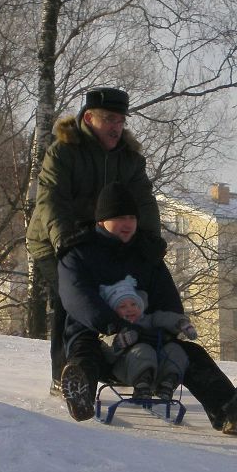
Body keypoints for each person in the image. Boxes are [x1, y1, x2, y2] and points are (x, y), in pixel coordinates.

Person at [58, 182, 237, 435]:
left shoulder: (146, 254)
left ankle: (230, 411)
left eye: (131, 217)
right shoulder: (78, 253)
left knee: (193, 355)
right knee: (85, 352)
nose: (127, 223)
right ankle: (81, 395)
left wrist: (170, 328)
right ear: (102, 220)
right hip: (100, 336)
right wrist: (113, 326)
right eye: (119, 217)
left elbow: (167, 298)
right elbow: (77, 298)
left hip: (147, 337)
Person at [25, 87, 161, 395]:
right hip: (53, 241)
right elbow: (51, 200)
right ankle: (64, 375)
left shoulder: (128, 159)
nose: (116, 127)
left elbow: (144, 201)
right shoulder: (64, 151)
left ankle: (128, 364)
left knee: (124, 295)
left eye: (121, 120)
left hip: (100, 242)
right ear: (89, 118)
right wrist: (63, 238)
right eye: (109, 119)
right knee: (70, 299)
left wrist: (151, 239)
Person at [99, 275, 196, 401]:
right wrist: (119, 341)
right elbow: (105, 348)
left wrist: (182, 323)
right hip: (126, 369)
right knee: (143, 350)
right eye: (122, 306)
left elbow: (164, 318)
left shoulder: (148, 320)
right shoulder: (114, 326)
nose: (129, 309)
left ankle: (168, 382)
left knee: (175, 349)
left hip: (158, 368)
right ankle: (142, 385)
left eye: (133, 304)